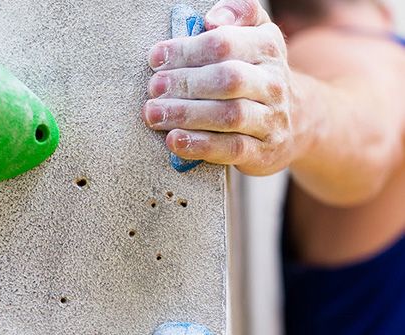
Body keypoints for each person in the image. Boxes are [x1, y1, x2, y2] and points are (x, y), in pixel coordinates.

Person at [143, 0, 405, 333]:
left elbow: (374, 133)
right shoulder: (352, 46)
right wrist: (299, 115)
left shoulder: (357, 51)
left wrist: (297, 113)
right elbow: (372, 133)